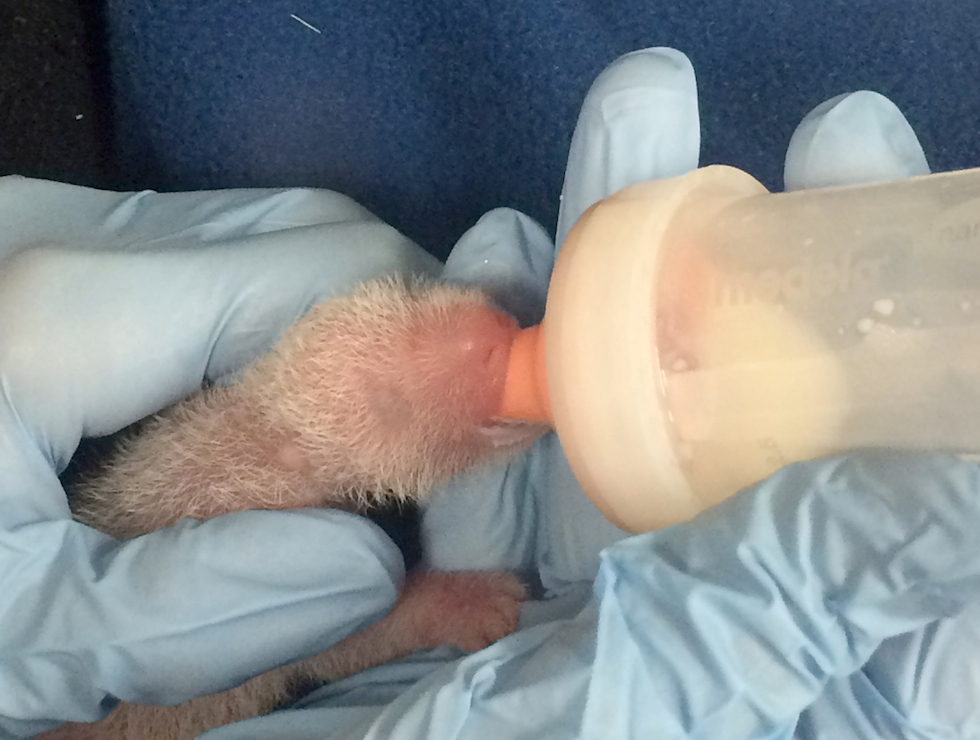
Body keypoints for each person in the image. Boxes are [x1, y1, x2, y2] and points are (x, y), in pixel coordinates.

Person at [1, 47, 977, 739]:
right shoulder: (217, 554)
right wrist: (425, 612)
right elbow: (284, 658)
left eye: (409, 308)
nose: (479, 330)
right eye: (394, 405)